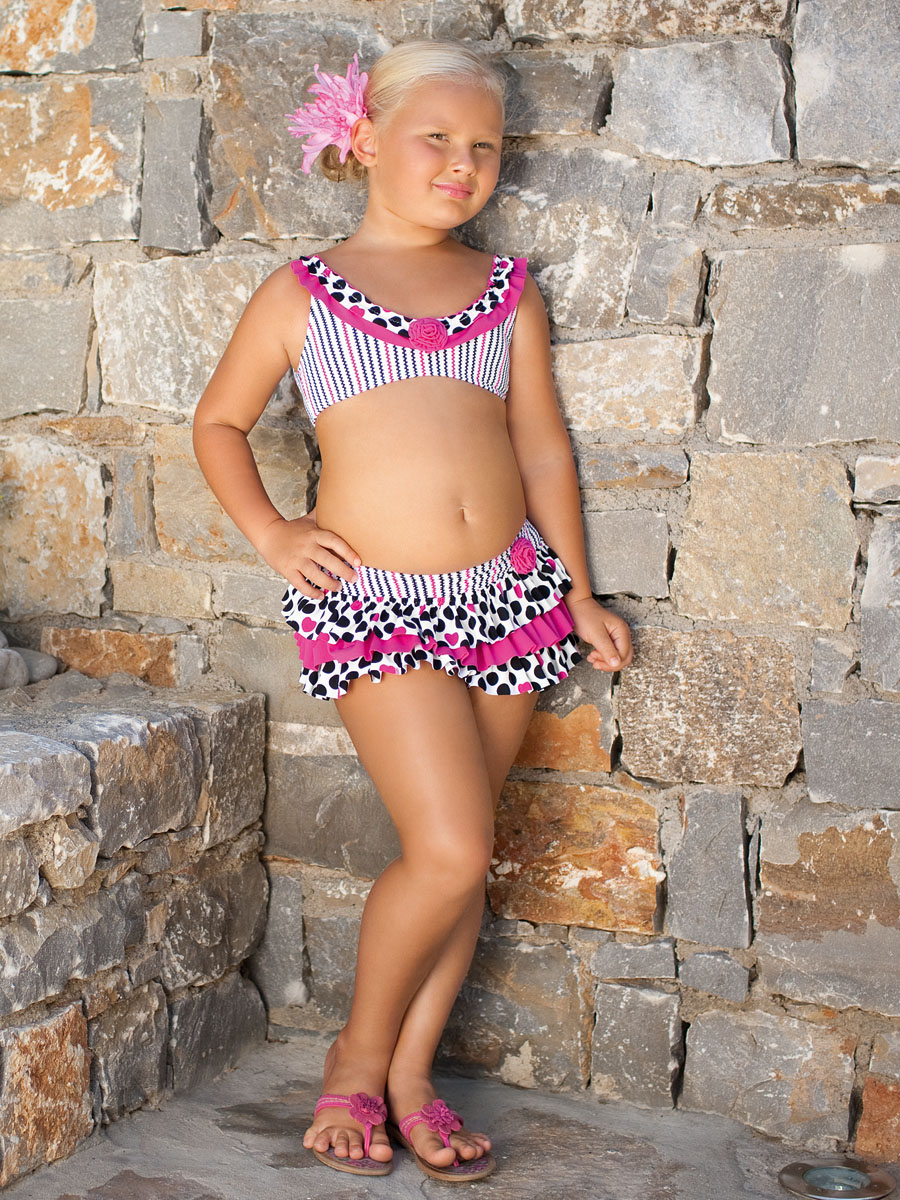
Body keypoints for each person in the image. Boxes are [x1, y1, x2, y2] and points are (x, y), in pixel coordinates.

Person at [192, 38, 633, 1183]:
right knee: (449, 845)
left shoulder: (505, 292)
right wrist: (275, 532)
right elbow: (218, 424)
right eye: (436, 138)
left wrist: (577, 590)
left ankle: (411, 1074)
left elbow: (541, 447)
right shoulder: (303, 292)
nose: (462, 163)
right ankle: (354, 1058)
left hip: (508, 598)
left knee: (463, 859)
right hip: (378, 606)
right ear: (366, 138)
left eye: (485, 146)